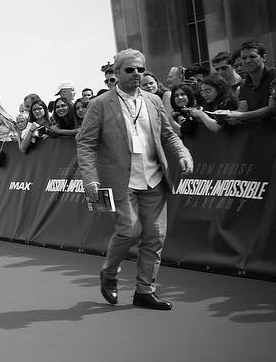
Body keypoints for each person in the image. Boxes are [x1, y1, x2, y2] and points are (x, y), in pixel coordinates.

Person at [76, 49, 193, 310]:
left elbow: (168, 135)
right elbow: (86, 144)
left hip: (154, 179)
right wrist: (90, 179)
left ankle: (144, 291)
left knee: (155, 236)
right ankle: (109, 273)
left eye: (141, 69)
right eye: (130, 70)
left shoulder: (153, 100)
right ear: (116, 73)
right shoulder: (100, 104)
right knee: (129, 230)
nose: (137, 74)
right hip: (120, 180)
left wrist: (182, 153)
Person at [219, 40, 276, 125]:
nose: (248, 61)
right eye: (244, 58)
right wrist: (227, 114)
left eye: (252, 56)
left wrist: (241, 116)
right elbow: (243, 109)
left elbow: (272, 109)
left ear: (263, 57)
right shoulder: (244, 84)